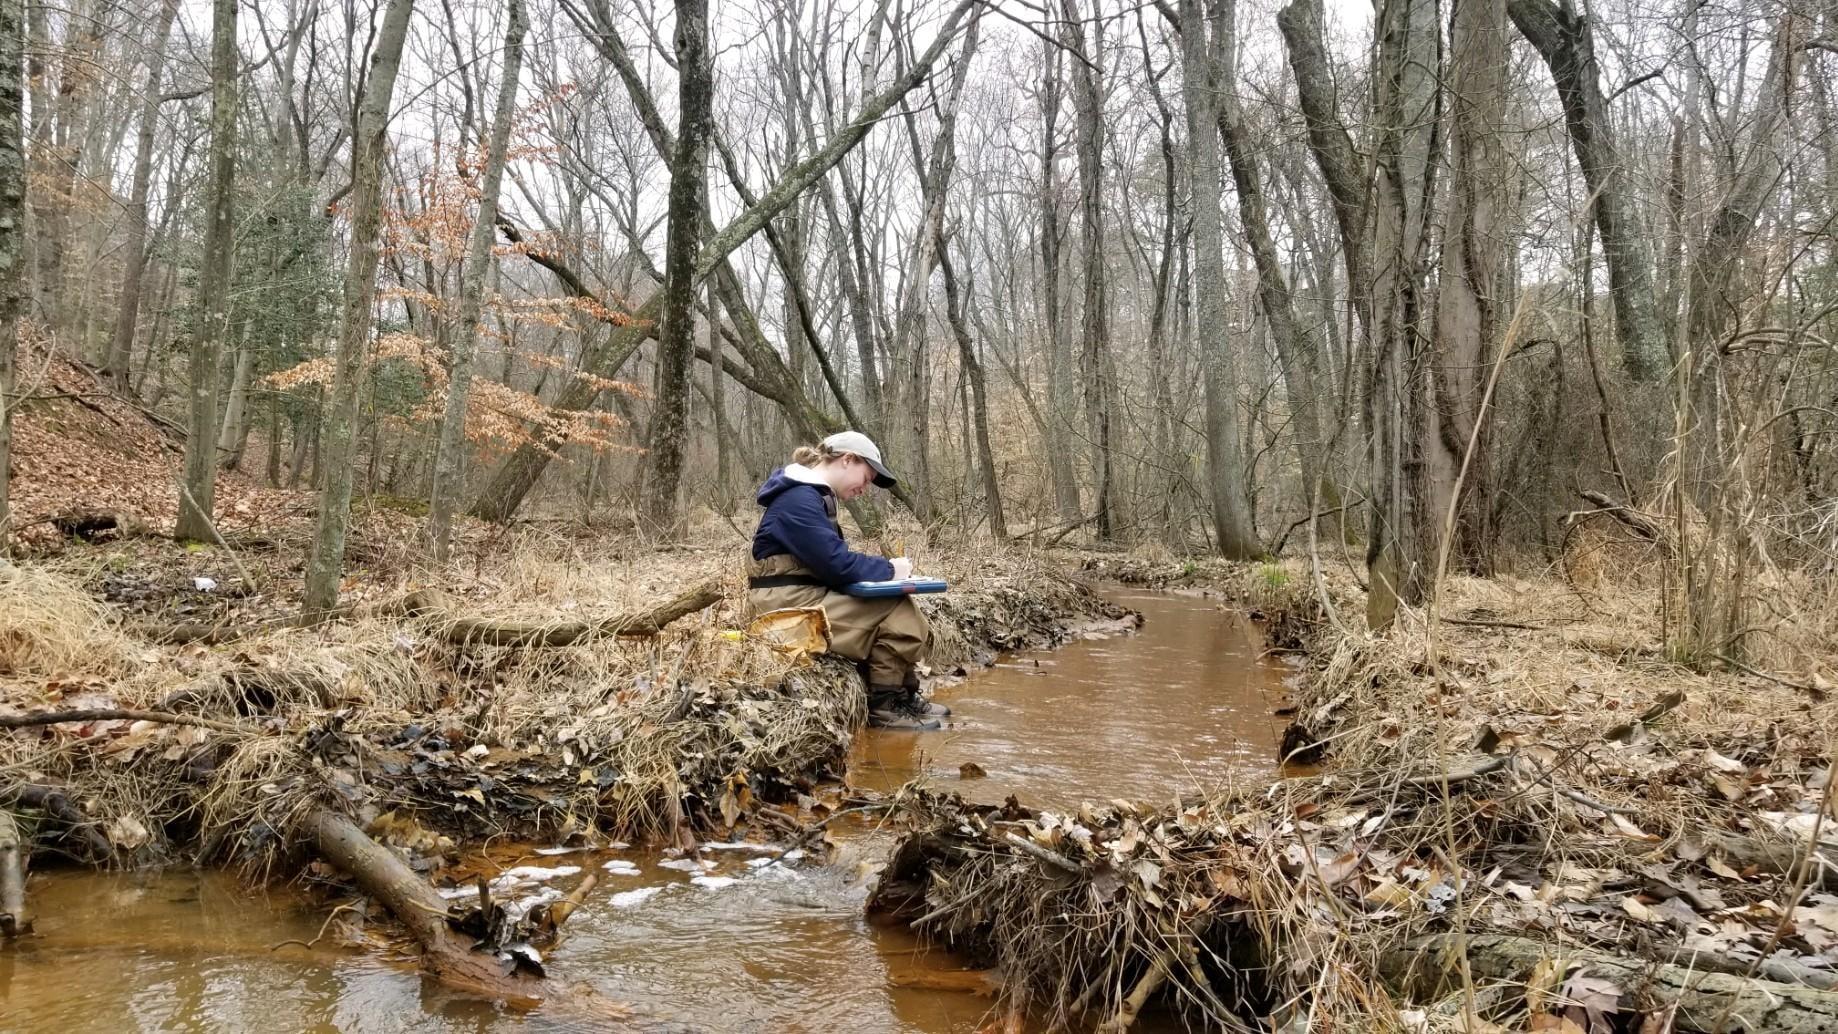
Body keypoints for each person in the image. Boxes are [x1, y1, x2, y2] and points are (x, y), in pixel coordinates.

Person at [745, 431, 948, 731]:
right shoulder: (799, 499)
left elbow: (829, 565)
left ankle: (903, 694)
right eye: (865, 479)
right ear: (847, 460)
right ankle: (885, 706)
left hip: (796, 598)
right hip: (781, 608)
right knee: (898, 610)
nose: (865, 489)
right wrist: (890, 570)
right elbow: (837, 565)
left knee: (899, 607)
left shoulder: (809, 496)